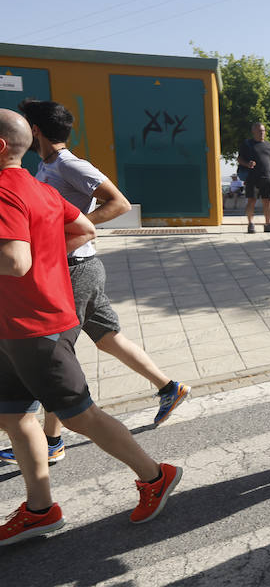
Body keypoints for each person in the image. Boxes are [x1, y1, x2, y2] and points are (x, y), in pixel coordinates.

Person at [0, 109, 182, 545]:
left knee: (82, 417)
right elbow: (82, 227)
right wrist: (47, 252)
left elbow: (13, 260)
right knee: (13, 417)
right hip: (15, 327)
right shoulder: (38, 187)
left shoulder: (6, 190)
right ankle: (40, 508)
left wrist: (37, 256)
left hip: (35, 328)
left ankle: (155, 476)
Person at [237, 122, 270, 233]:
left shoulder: (269, 145)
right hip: (252, 178)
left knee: (268, 201)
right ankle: (250, 224)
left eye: (263, 131)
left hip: (267, 178)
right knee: (251, 201)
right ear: (253, 132)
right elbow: (239, 159)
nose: (262, 133)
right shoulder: (247, 144)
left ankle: (268, 224)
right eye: (259, 131)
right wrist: (247, 164)